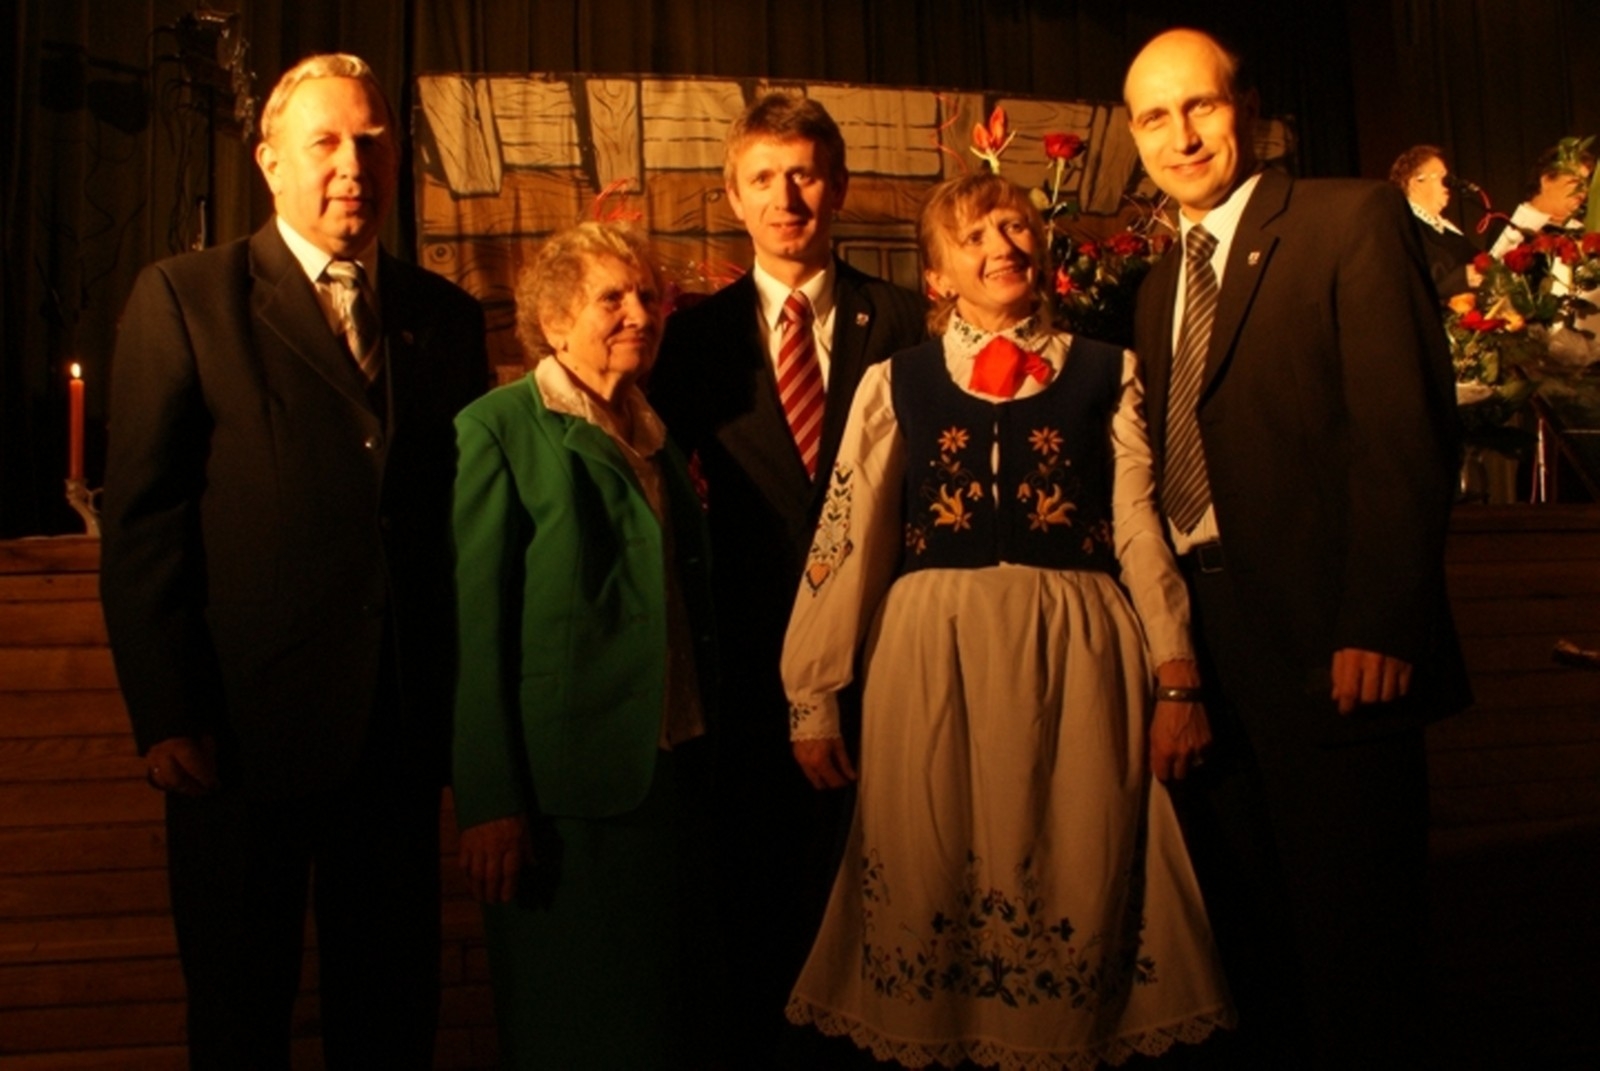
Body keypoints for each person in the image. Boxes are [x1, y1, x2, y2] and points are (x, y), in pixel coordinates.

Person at [781, 171, 1233, 1067]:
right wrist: (812, 692)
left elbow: (1139, 526)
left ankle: (1063, 1037)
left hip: (1078, 650)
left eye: (1017, 227)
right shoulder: (896, 381)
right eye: (976, 236)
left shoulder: (1108, 370)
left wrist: (1176, 674)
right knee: (928, 857)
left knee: (1079, 856)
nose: (1003, 247)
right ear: (937, 273)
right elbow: (847, 534)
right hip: (930, 654)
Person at [99, 53, 486, 1070]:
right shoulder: (187, 298)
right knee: (239, 1015)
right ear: (269, 161)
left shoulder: (444, 318)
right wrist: (167, 711)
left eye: (372, 142)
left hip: (395, 739)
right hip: (237, 737)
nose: (353, 165)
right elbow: (145, 522)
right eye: (326, 142)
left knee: (389, 1018)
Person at [1124, 29, 1471, 1068]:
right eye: (1154, 117)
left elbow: (1405, 428)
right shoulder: (1157, 285)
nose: (1181, 136)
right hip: (1207, 649)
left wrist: (1381, 619)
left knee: (1359, 952)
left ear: (1247, 109)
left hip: (1335, 646)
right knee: (1250, 948)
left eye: (1200, 106)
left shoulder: (1347, 218)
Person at [647, 90, 926, 1055]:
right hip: (747, 671)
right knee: (758, 915)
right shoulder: (692, 340)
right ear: (733, 196)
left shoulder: (905, 320)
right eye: (763, 178)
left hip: (884, 659)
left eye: (803, 174)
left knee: (884, 900)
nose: (786, 197)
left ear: (837, 185)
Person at [450, 221, 720, 1068]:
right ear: (555, 321)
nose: (639, 313)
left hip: (667, 770)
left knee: (657, 1025)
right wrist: (490, 799)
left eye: (647, 296)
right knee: (571, 1025)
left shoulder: (654, 429)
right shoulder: (495, 429)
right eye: (613, 298)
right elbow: (475, 629)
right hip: (562, 794)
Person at [1390, 144, 1482, 300]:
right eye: (1440, 176)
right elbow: (1413, 284)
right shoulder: (1404, 227)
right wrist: (1462, 277)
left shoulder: (1446, 227)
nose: (1448, 183)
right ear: (1415, 183)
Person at [1487, 141, 1593, 259]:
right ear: (1546, 180)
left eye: (1586, 184)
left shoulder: (1583, 232)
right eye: (1575, 182)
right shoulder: (1510, 225)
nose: (1583, 191)